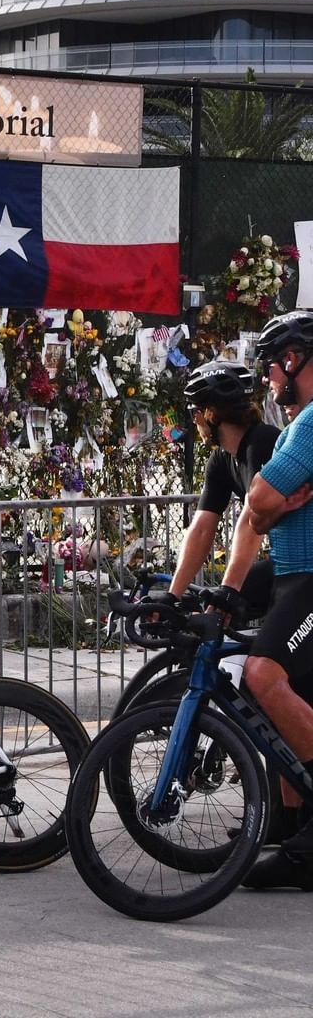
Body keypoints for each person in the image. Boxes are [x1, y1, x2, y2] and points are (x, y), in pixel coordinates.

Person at [237, 311, 313, 888]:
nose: (267, 376)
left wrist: (271, 506)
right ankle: (295, 833)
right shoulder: (296, 424)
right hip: (293, 573)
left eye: (272, 364)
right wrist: (270, 506)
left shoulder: (312, 422)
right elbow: (257, 512)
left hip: (309, 575)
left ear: (295, 358)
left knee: (261, 674)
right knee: (288, 694)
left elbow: (261, 498)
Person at [160, 360, 279, 617]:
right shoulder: (221, 458)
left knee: (231, 602)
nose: (194, 420)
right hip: (289, 559)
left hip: (302, 559)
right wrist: (172, 596)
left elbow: (251, 518)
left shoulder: (262, 442)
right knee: (214, 608)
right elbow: (202, 529)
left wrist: (229, 590)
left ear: (211, 413)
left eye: (195, 412)